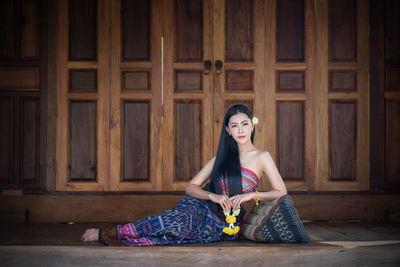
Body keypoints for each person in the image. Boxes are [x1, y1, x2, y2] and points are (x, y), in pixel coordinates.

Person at [81, 104, 287, 246]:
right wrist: (212, 196)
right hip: (200, 207)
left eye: (244, 124)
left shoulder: (262, 156)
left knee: (174, 235)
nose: (240, 130)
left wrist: (252, 195)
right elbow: (191, 187)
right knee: (168, 221)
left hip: (225, 222)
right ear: (228, 130)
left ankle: (125, 236)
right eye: (234, 125)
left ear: (252, 125)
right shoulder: (220, 157)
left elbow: (281, 192)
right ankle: (107, 233)